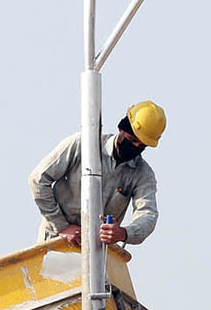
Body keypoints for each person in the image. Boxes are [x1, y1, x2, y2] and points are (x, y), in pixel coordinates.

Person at [29, 101, 166, 247]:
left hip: (98, 254)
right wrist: (61, 225)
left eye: (141, 146)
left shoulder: (142, 174)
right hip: (55, 243)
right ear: (122, 129)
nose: (135, 147)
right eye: (132, 140)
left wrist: (123, 233)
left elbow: (148, 214)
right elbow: (38, 180)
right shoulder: (81, 145)